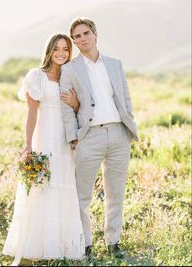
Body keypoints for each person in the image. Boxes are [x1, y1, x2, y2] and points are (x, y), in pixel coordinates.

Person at [2, 33, 85, 266]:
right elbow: (31, 113)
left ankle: (60, 247)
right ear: (49, 50)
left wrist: (75, 103)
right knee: (41, 189)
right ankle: (33, 249)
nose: (61, 53)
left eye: (66, 49)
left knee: (63, 187)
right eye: (57, 48)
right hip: (43, 139)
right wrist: (28, 145)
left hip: (64, 142)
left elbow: (78, 109)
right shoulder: (36, 76)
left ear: (70, 52)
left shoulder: (70, 76)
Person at [60, 17, 138, 259]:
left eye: (85, 33)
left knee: (116, 193)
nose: (82, 39)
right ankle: (85, 245)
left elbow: (125, 98)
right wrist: (74, 138)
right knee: (82, 196)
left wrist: (129, 126)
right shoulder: (69, 69)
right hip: (88, 137)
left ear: (95, 33)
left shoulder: (115, 64)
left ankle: (113, 242)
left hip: (118, 135)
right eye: (77, 37)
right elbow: (65, 107)